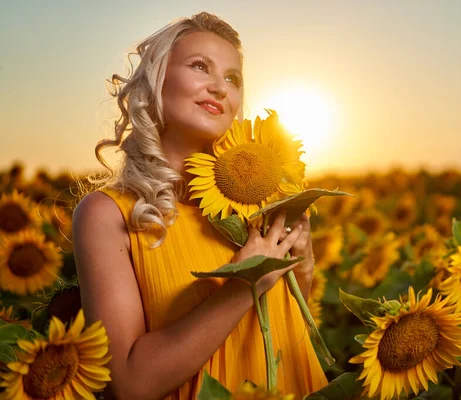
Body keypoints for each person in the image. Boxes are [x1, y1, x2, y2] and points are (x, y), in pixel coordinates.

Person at [72, 12, 328, 400]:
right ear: (156, 80)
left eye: (232, 78)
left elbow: (280, 334)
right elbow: (128, 383)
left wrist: (303, 269)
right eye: (199, 67)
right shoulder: (108, 215)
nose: (220, 89)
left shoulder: (261, 203)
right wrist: (246, 284)